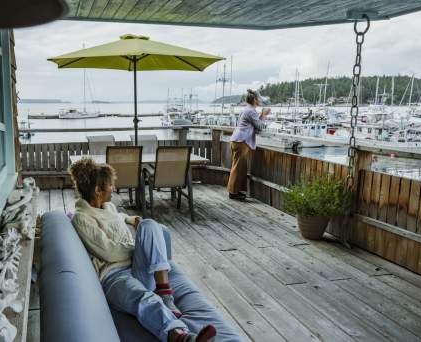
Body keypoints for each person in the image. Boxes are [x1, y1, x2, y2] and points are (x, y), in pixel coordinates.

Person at [68, 158, 217, 342]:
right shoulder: (82, 218)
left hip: (137, 267)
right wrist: (137, 246)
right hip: (114, 276)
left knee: (149, 224)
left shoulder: (109, 206)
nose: (113, 188)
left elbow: (118, 217)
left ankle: (165, 293)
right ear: (98, 190)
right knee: (144, 299)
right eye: (110, 185)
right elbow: (109, 253)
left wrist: (133, 220)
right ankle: (182, 337)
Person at [227, 89, 270, 200]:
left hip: (238, 140)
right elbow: (260, 126)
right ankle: (232, 192)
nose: (261, 100)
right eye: (259, 98)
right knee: (238, 167)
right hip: (242, 141)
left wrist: (260, 115)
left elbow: (255, 123)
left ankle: (236, 191)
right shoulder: (251, 111)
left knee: (240, 167)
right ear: (255, 100)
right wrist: (264, 115)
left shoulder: (247, 110)